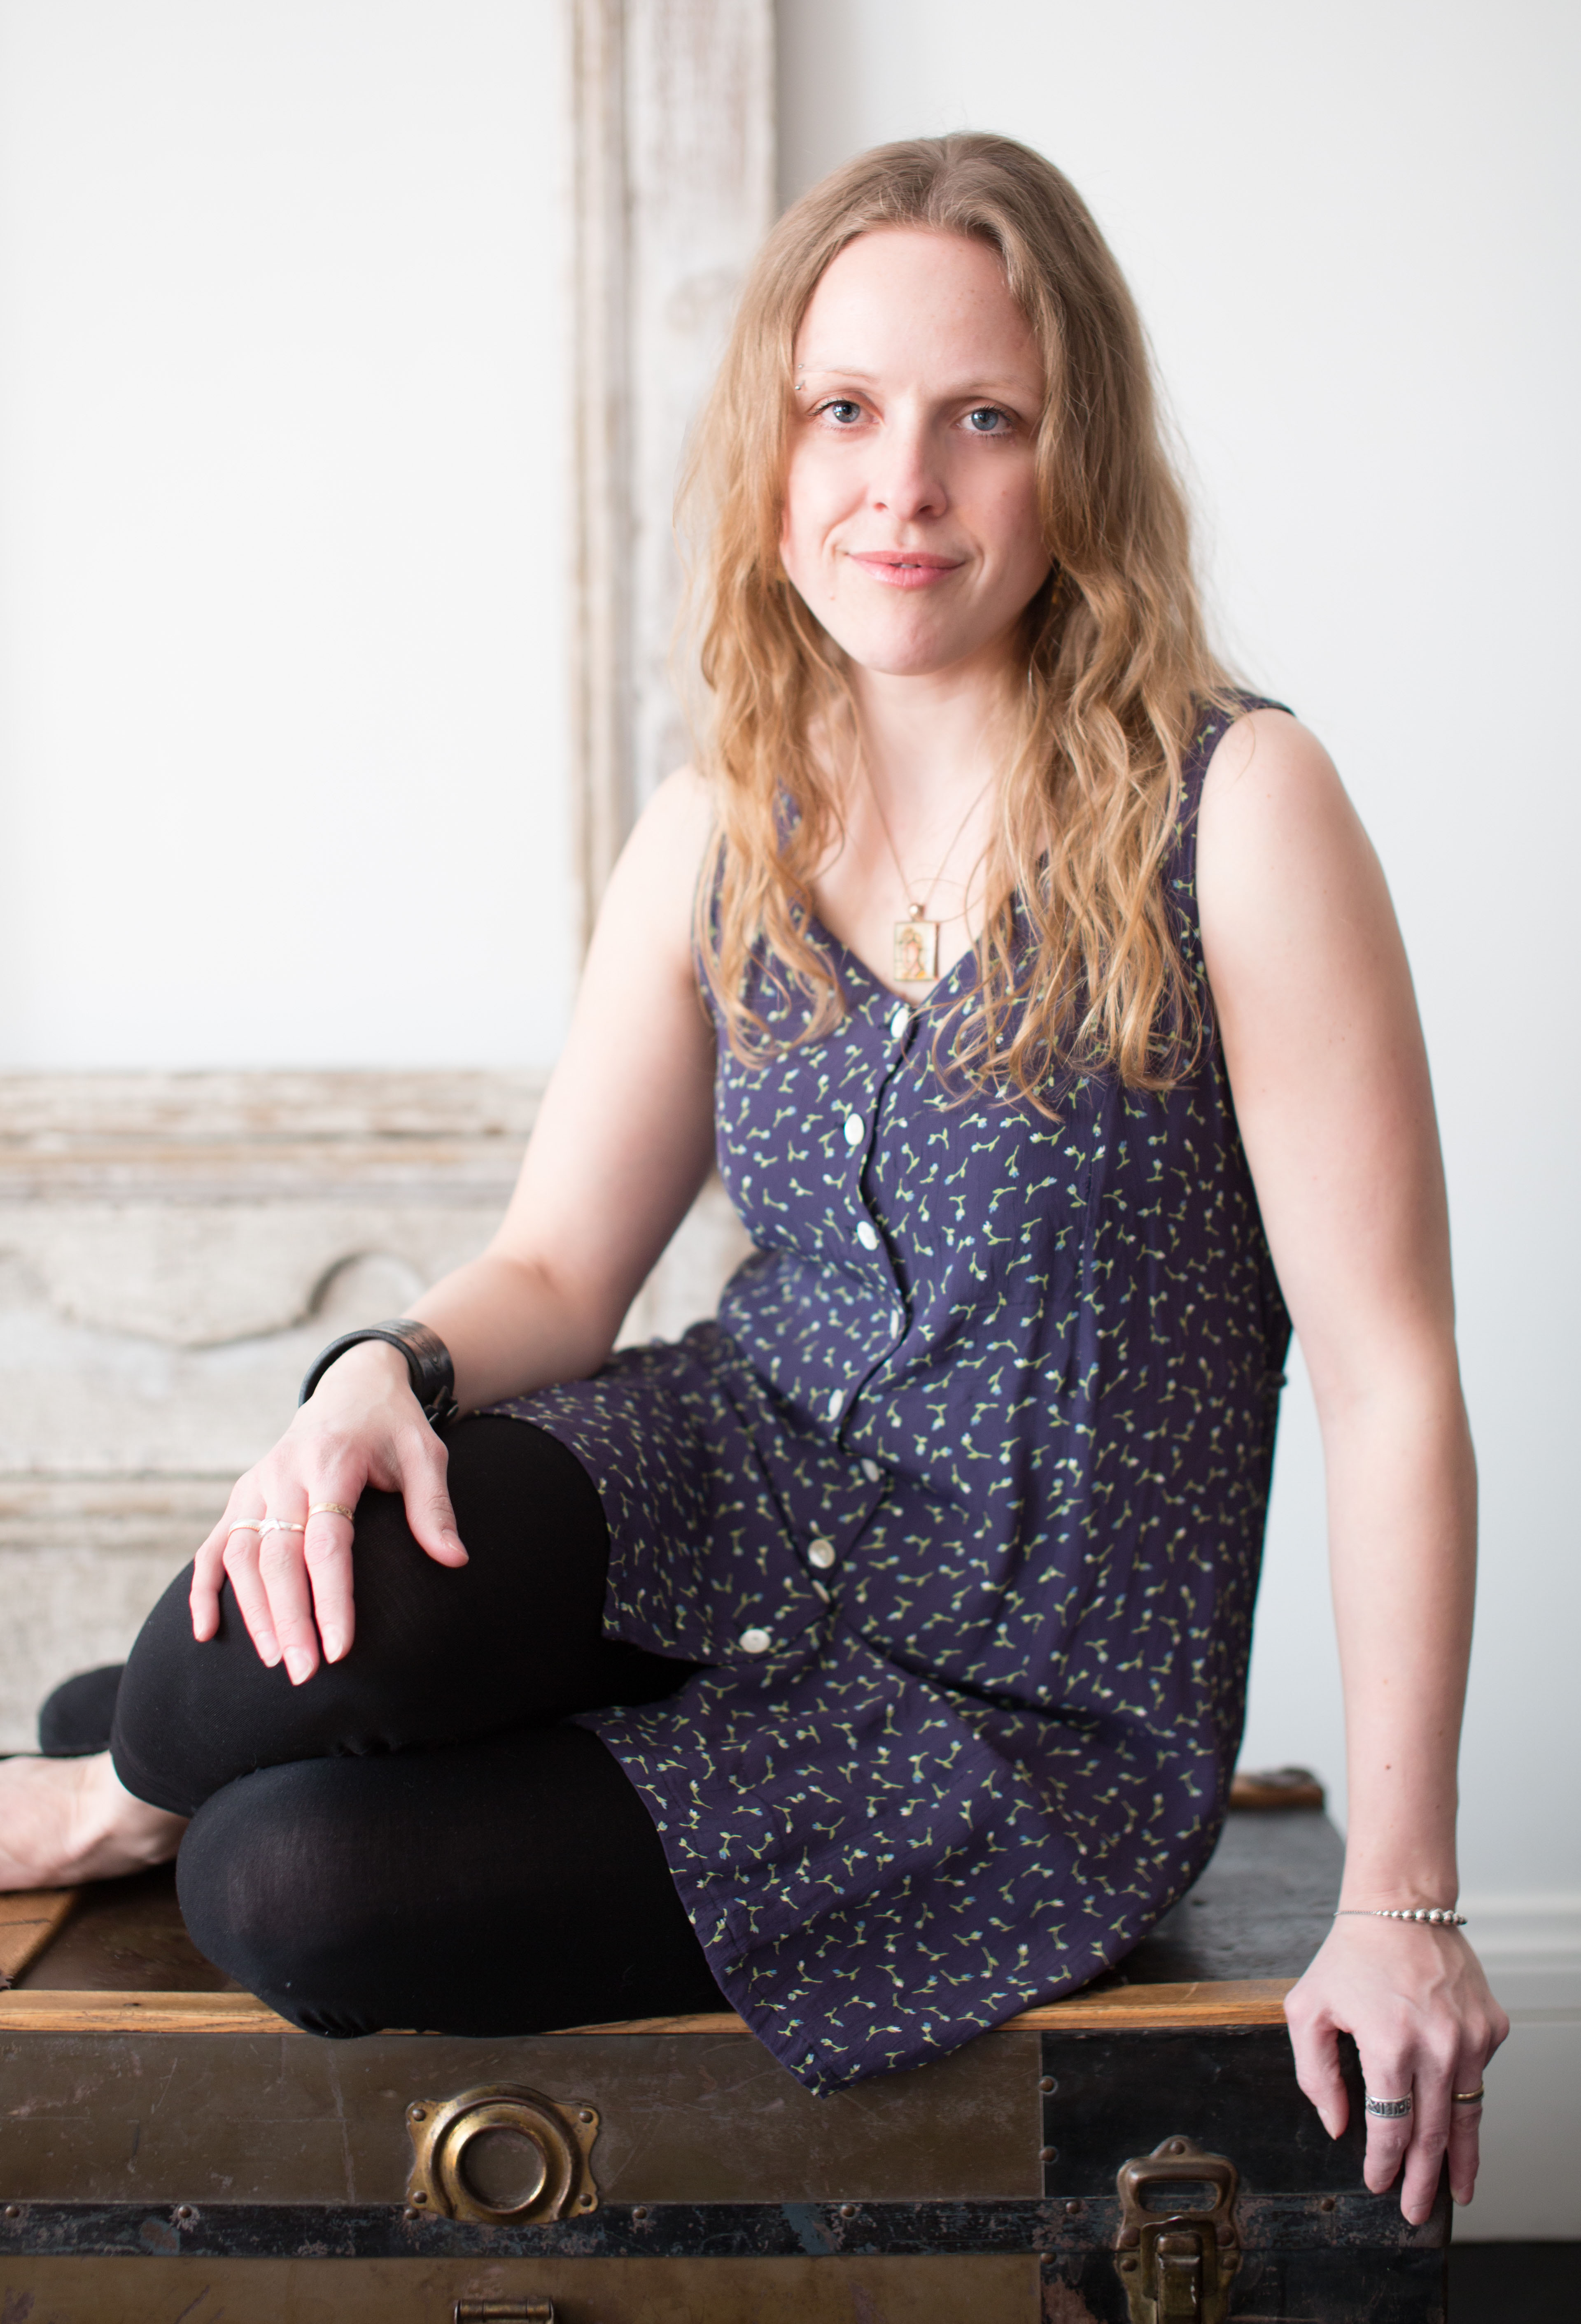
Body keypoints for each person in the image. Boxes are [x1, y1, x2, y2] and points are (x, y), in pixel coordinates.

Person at [1, 133, 1504, 2225]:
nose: (907, 486)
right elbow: (559, 1266)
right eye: (846, 411)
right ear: (776, 451)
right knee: (229, 1660)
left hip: (1011, 1707)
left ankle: (155, 1792)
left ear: (1078, 456)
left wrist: (1404, 1903)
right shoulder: (721, 820)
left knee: (288, 1882)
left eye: (986, 419)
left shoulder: (1240, 805)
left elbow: (1389, 1377)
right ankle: (128, 1777)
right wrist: (374, 1376)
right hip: (722, 1492)